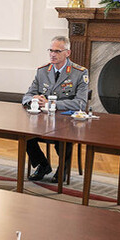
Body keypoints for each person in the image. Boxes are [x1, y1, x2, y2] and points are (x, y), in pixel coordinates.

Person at [23, 36, 89, 183]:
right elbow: (27, 96)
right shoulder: (42, 71)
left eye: (57, 51)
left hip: (67, 121)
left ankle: (63, 168)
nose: (53, 54)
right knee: (25, 135)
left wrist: (52, 104)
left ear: (68, 53)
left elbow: (81, 103)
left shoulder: (80, 73)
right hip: (43, 121)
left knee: (63, 137)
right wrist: (34, 99)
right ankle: (42, 164)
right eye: (51, 50)